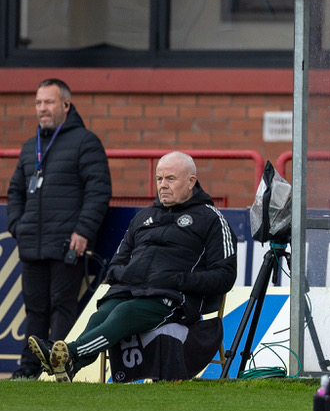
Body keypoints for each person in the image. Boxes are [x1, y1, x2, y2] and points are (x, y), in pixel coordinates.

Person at [26, 152, 234, 382]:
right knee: (101, 315)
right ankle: (70, 362)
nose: (162, 186)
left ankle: (71, 354)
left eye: (170, 179)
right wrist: (128, 276)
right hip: (130, 291)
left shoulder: (212, 219)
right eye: (159, 179)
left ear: (191, 182)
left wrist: (177, 280)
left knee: (122, 314)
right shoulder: (143, 218)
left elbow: (225, 276)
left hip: (172, 298)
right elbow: (116, 263)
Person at [7, 78, 112, 380]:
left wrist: (83, 231)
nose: (42, 108)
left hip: (68, 243)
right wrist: (18, 225)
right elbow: (14, 191)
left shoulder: (86, 142)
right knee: (35, 310)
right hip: (32, 244)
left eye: (49, 102)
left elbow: (99, 190)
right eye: (39, 102)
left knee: (62, 309)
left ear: (66, 105)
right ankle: (28, 369)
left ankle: (58, 369)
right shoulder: (31, 146)